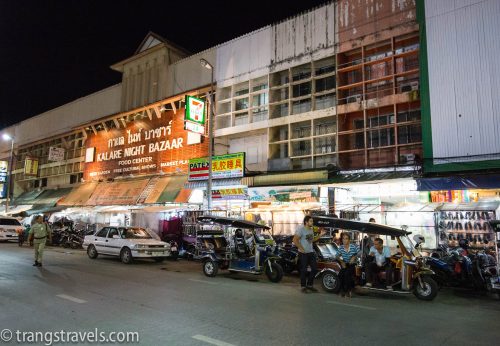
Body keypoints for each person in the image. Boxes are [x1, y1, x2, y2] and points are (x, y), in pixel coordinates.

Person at [293, 215, 325, 293]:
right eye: (311, 221)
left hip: (310, 252)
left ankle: (310, 285)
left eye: (312, 221)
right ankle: (303, 286)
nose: (312, 222)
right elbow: (294, 240)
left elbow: (311, 240)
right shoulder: (301, 229)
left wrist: (320, 235)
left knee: (314, 269)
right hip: (303, 253)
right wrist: (301, 249)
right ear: (306, 222)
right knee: (303, 270)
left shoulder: (310, 230)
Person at [337, 232, 359, 298]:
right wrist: (341, 262)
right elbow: (336, 256)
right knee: (340, 275)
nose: (344, 240)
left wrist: (354, 257)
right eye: (343, 239)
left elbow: (360, 252)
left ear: (349, 240)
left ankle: (349, 291)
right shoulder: (341, 247)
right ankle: (343, 290)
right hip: (345, 264)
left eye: (346, 239)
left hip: (353, 264)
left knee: (347, 274)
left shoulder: (354, 246)